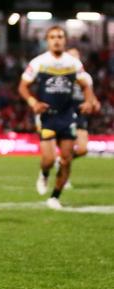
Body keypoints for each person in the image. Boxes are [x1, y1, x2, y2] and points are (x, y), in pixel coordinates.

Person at [18, 27, 98, 209]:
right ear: (47, 40)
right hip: (47, 116)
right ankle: (44, 173)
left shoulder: (73, 63)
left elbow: (86, 84)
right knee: (48, 159)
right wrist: (33, 102)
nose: (56, 40)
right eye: (52, 37)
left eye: (60, 37)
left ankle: (54, 197)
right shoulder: (39, 62)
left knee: (67, 159)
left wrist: (88, 101)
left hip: (67, 116)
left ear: (65, 40)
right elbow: (23, 86)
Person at [61, 48, 101, 188]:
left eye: (76, 56)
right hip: (67, 112)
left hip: (81, 113)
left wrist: (94, 102)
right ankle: (65, 179)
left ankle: (62, 161)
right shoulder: (62, 74)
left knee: (83, 149)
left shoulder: (86, 76)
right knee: (69, 146)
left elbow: (89, 93)